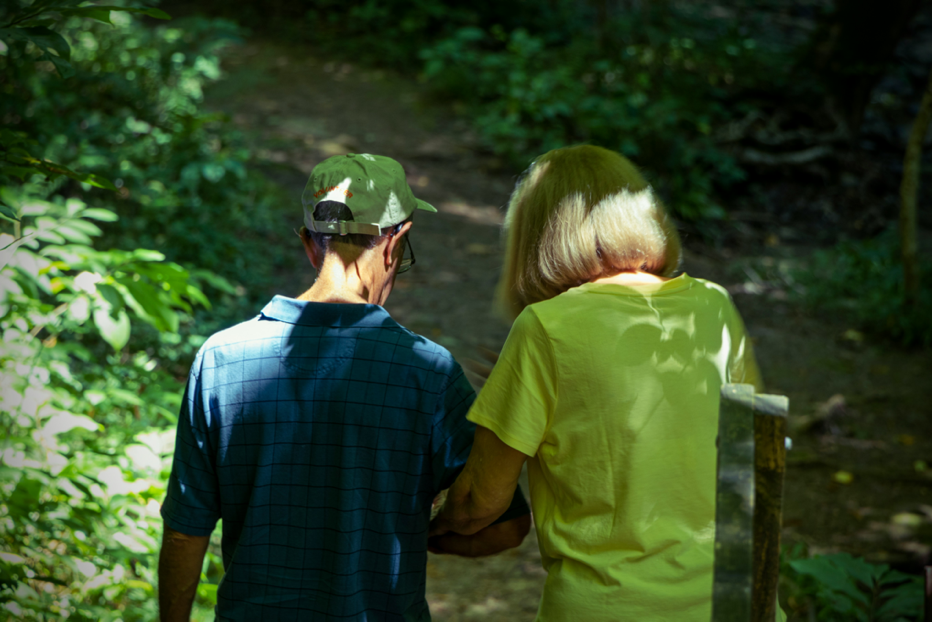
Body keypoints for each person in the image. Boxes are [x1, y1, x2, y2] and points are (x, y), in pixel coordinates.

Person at [158, 153, 530, 622]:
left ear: (309, 245)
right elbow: (505, 526)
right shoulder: (428, 373)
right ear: (396, 243)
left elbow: (184, 529)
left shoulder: (221, 358)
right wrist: (413, 530)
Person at [430, 145, 783, 621]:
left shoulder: (545, 328)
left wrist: (427, 529)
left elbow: (479, 502)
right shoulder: (714, 305)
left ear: (537, 235)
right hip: (735, 605)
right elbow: (757, 460)